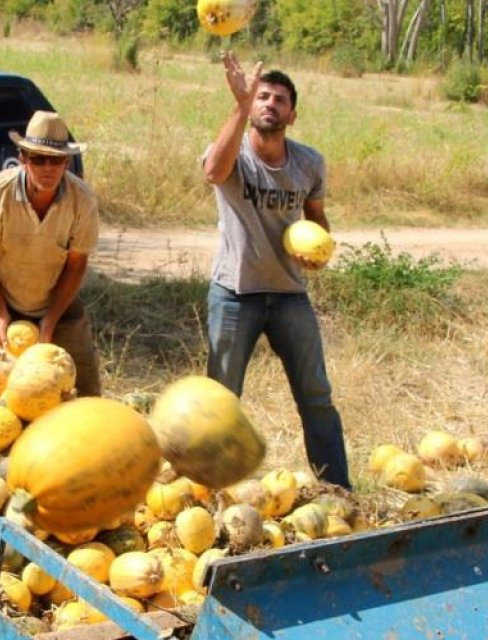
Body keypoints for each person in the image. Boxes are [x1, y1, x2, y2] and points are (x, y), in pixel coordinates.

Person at [200, 53, 351, 489]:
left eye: (279, 99)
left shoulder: (309, 163)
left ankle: (338, 490)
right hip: (234, 294)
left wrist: (320, 251)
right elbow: (213, 171)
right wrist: (238, 104)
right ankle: (212, 490)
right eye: (262, 97)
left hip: (289, 294)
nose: (270, 104)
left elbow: (317, 219)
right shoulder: (234, 152)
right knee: (222, 402)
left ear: (292, 114)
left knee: (317, 397)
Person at [0, 110, 102, 396]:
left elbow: (77, 264)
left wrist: (50, 322)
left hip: (51, 291)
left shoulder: (82, 200)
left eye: (56, 160)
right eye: (38, 159)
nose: (48, 167)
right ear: (23, 159)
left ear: (66, 162)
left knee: (81, 379)